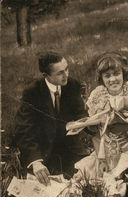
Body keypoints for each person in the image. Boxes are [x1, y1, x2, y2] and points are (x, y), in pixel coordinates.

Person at [72, 52, 128, 181]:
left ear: (123, 74)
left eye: (116, 74)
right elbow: (97, 132)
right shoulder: (98, 96)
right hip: (107, 146)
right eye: (107, 76)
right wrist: (101, 157)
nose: (112, 79)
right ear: (102, 79)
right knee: (95, 173)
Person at [14, 51, 88, 185]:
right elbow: (24, 130)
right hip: (43, 153)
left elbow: (80, 113)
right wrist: (36, 161)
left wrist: (83, 122)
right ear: (45, 75)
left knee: (85, 181)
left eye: (67, 69)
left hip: (70, 149)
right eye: (60, 73)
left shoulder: (72, 85)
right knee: (41, 188)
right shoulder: (32, 92)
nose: (66, 75)